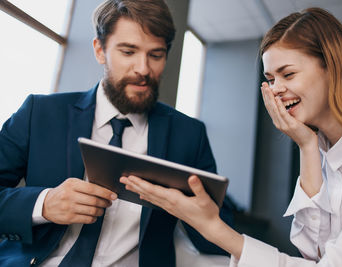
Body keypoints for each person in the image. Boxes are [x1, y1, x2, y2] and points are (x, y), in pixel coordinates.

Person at [120, 7, 342, 267]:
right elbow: (313, 253)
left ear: (332, 67)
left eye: (287, 74)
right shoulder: (321, 151)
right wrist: (306, 146)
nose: (276, 89)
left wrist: (215, 229)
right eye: (271, 79)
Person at [0, 0, 233, 266]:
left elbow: (217, 235)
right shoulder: (39, 113)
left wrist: (203, 217)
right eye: (128, 51)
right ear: (100, 50)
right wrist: (44, 204)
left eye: (155, 55)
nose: (143, 69)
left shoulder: (189, 135)